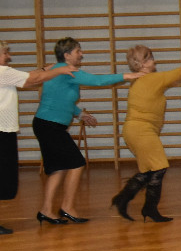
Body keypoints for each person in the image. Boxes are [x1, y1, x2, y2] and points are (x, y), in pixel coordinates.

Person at [0, 39, 73, 235]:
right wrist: (60, 70)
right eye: (5, 53)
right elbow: (31, 80)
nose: (9, 56)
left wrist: (45, 69)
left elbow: (28, 76)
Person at [32, 37, 143, 225]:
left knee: (58, 169)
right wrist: (127, 76)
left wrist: (79, 113)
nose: (81, 54)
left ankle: (46, 210)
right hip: (50, 126)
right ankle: (67, 207)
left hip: (46, 124)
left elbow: (59, 98)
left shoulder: (57, 70)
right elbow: (96, 81)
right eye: (78, 51)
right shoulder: (67, 71)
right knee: (77, 163)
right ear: (67, 55)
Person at [110, 45, 181, 223]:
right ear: (143, 63)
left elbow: (176, 78)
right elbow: (179, 74)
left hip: (135, 130)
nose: (155, 60)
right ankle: (139, 204)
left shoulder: (143, 80)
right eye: (151, 58)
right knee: (159, 167)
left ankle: (129, 202)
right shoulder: (151, 79)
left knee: (149, 171)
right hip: (141, 131)